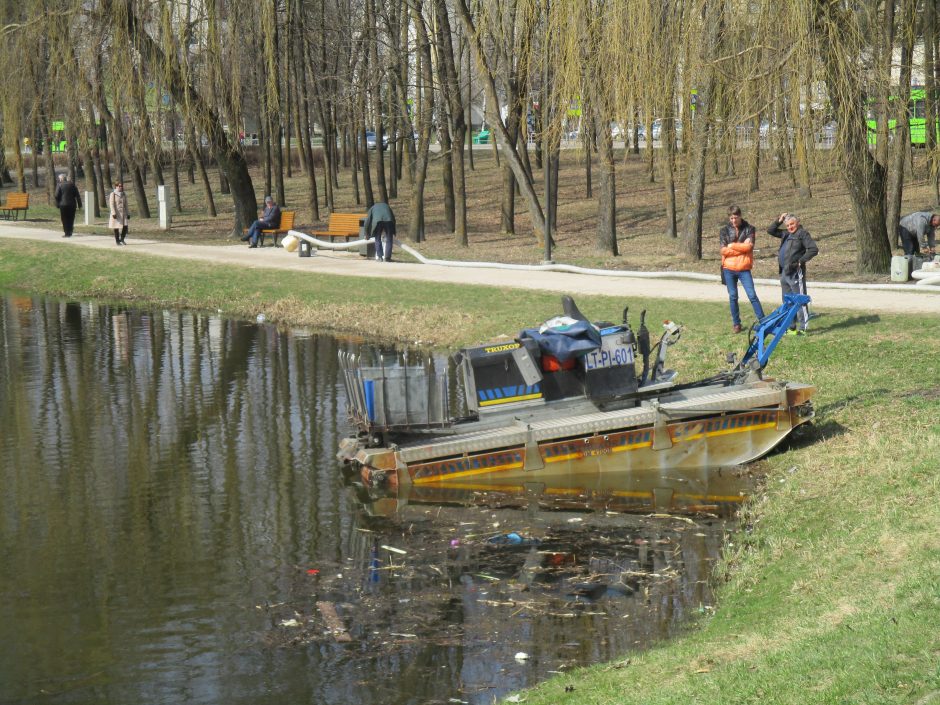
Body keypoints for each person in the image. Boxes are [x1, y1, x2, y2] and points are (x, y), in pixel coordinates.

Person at [767, 212, 818, 335]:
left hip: (795, 272)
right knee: (788, 301)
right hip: (784, 272)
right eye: (788, 225)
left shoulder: (802, 234)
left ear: (797, 223)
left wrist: (801, 261)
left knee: (799, 300)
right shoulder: (785, 234)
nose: (790, 227)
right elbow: (771, 230)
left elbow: (813, 249)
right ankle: (791, 327)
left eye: (792, 224)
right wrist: (779, 220)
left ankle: (803, 328)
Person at [719, 205, 765, 334]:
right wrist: (741, 247)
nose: (733, 220)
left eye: (736, 217)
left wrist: (732, 245)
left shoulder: (749, 229)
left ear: (740, 216)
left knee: (752, 295)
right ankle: (736, 324)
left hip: (744, 269)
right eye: (731, 218)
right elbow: (723, 250)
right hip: (728, 269)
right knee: (733, 296)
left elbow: (748, 248)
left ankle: (763, 321)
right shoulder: (724, 231)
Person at [54, 173, 82, 238]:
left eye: (59, 179)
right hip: (72, 204)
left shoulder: (59, 185)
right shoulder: (72, 185)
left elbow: (56, 195)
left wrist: (57, 204)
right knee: (71, 218)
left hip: (63, 205)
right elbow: (77, 195)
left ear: (61, 179)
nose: (59, 180)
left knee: (64, 219)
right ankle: (70, 231)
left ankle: (66, 232)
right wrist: (80, 205)